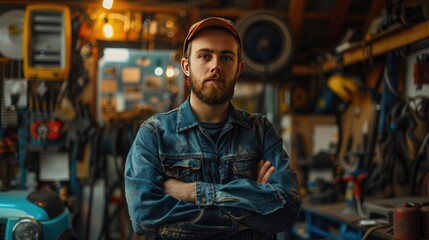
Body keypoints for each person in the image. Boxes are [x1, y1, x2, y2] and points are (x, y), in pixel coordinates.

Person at [125, 17, 301, 240]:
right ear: (186, 67)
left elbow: (287, 209)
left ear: (239, 68)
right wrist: (252, 201)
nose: (215, 65)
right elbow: (144, 217)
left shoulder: (260, 131)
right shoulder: (154, 134)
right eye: (204, 56)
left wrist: (193, 192)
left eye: (226, 57)